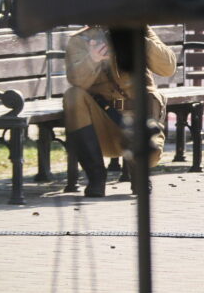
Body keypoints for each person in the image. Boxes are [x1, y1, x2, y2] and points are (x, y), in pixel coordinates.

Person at [63, 26, 178, 196]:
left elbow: (168, 68)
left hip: (138, 119)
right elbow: (76, 81)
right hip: (103, 122)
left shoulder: (141, 29)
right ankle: (96, 177)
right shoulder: (81, 39)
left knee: (150, 157)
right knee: (73, 96)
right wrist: (93, 59)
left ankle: (139, 173)